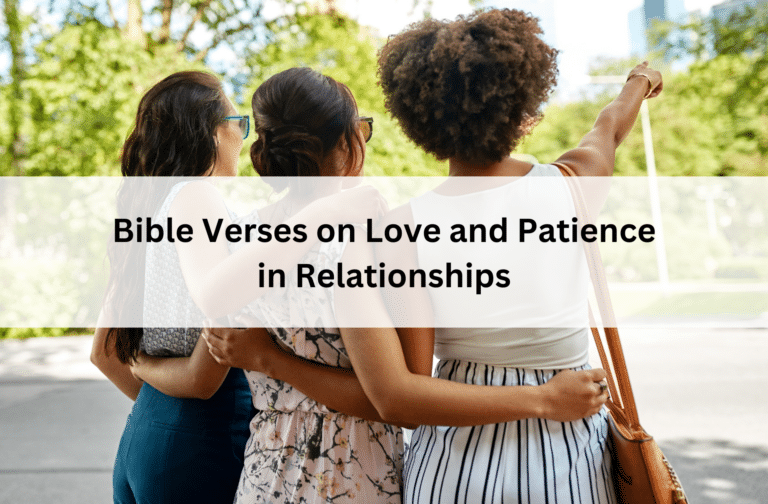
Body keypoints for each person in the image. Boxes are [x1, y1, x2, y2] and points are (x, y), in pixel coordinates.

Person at [203, 66, 618, 503]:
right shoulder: (350, 244)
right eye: (362, 128)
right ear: (345, 144)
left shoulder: (247, 235)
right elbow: (391, 396)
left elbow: (214, 301)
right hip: (346, 473)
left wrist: (265, 358)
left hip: (267, 470)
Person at [371, 9, 664, 504]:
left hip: (453, 466)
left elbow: (410, 392)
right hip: (566, 453)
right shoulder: (573, 188)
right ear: (521, 111)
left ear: (420, 119)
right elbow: (608, 129)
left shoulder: (400, 230)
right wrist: (640, 81)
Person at [91, 70, 388, 504]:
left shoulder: (150, 213)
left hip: (146, 433)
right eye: (239, 123)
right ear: (210, 133)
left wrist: (156, 393)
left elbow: (103, 352)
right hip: (203, 442)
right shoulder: (198, 198)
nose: (244, 138)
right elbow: (203, 375)